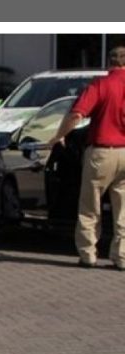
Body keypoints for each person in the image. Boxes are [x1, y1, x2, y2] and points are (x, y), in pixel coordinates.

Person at [49, 46, 125, 269]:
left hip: (101, 152)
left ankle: (88, 254)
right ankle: (121, 257)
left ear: (109, 62)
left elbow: (77, 114)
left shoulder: (101, 84)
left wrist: (59, 136)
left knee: (90, 207)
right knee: (123, 210)